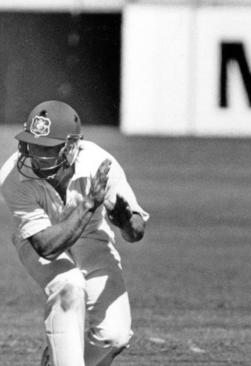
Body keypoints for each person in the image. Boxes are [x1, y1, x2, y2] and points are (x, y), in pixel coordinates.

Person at [0, 100, 149, 366]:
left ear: (71, 147)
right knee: (68, 285)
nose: (35, 156)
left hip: (91, 238)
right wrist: (89, 205)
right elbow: (47, 247)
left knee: (114, 337)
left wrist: (126, 222)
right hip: (38, 238)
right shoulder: (12, 176)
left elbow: (135, 233)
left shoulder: (100, 164)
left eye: (46, 149)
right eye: (32, 145)